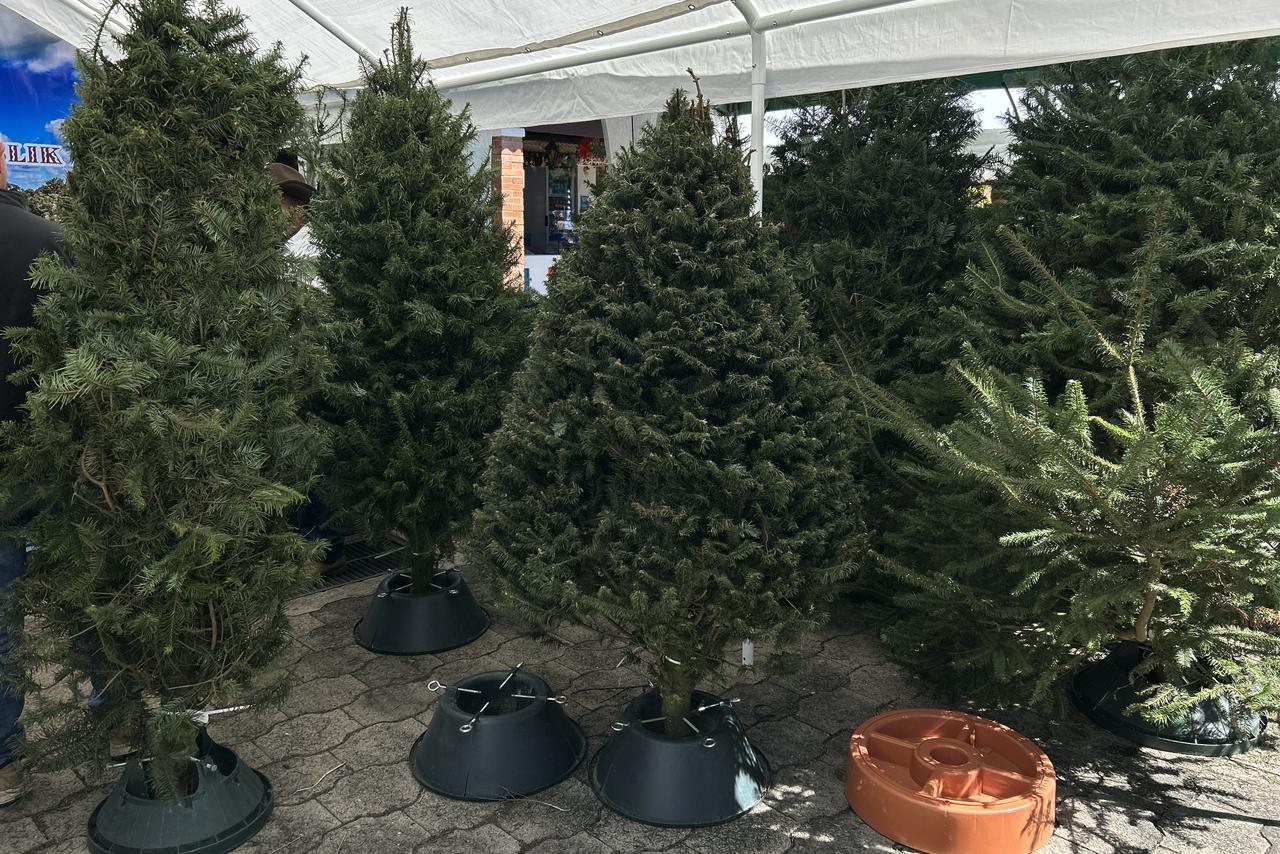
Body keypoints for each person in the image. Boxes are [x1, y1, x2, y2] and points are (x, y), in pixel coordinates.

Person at [0, 141, 63, 807]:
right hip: (49, 447)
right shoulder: (47, 242)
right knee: (92, 586)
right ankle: (119, 721)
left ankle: (3, 761)